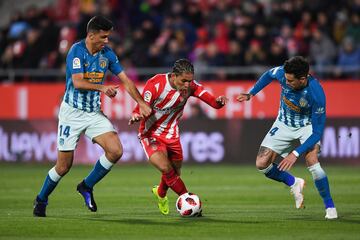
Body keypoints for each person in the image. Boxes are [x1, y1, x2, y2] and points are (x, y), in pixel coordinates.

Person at [33, 16, 151, 217]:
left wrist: (140, 103)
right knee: (63, 167)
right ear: (91, 35)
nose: (106, 41)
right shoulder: (76, 51)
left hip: (93, 113)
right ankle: (41, 199)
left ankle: (86, 186)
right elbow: (78, 82)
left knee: (115, 151)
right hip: (71, 114)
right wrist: (103, 88)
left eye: (108, 37)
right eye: (103, 37)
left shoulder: (108, 54)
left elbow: (126, 80)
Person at [237, 56, 338, 220]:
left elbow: (317, 133)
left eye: (291, 81)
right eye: (286, 79)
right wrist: (251, 93)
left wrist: (295, 153)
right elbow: (269, 74)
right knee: (262, 164)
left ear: (303, 79)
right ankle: (294, 182)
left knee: (313, 162)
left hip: (307, 127)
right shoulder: (283, 74)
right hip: (283, 123)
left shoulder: (316, 94)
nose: (287, 82)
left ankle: (330, 206)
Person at [129, 59, 227, 215]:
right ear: (174, 76)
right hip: (150, 134)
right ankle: (188, 200)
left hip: (172, 135)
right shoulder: (156, 84)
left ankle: (160, 193)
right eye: (184, 81)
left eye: (190, 80)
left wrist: (219, 102)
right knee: (165, 168)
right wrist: (136, 114)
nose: (187, 85)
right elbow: (141, 104)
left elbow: (213, 102)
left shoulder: (191, 86)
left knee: (174, 173)